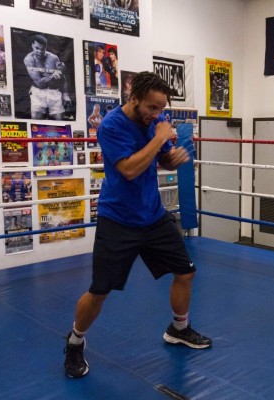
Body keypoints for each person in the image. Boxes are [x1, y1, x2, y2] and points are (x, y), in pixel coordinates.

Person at [63, 72, 211, 379]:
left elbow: (161, 158)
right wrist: (159, 136)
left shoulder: (154, 120)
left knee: (186, 271)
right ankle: (75, 341)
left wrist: (173, 157)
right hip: (118, 220)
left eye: (161, 108)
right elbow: (130, 169)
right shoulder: (112, 126)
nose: (157, 114)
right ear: (134, 99)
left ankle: (178, 328)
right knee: (100, 291)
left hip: (153, 216)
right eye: (152, 108)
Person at [23, 34, 71, 120]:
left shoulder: (53, 58)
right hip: (38, 92)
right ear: (32, 46)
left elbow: (62, 77)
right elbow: (39, 82)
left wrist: (66, 94)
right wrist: (53, 76)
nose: (40, 52)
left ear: (46, 47)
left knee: (61, 123)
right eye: (37, 48)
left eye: (43, 49)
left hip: (54, 92)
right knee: (36, 124)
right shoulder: (29, 59)